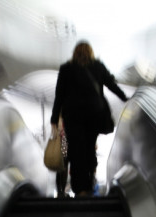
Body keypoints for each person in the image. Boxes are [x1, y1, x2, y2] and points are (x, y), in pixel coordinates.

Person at [50, 41, 128, 197]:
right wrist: (125, 98)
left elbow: (59, 95)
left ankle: (80, 189)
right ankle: (90, 182)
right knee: (89, 148)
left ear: (74, 53)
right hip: (94, 115)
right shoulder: (98, 66)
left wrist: (54, 119)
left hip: (73, 117)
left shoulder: (66, 69)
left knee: (75, 151)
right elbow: (111, 84)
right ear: (91, 53)